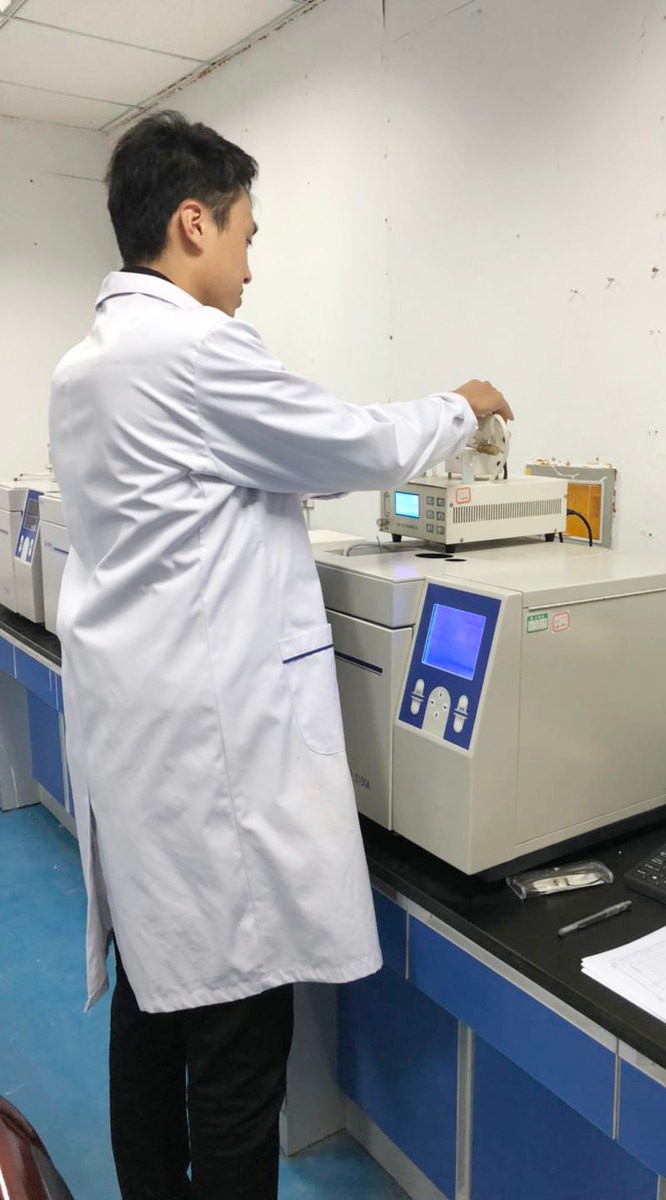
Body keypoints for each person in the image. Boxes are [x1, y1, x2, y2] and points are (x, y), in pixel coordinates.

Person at [48, 110, 511, 1200]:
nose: (251, 268)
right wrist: (464, 406)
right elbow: (350, 443)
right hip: (210, 780)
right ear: (193, 223)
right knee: (236, 1053)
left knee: (151, 1011)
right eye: (247, 237)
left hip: (137, 752)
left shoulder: (85, 366)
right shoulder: (194, 351)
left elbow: (205, 499)